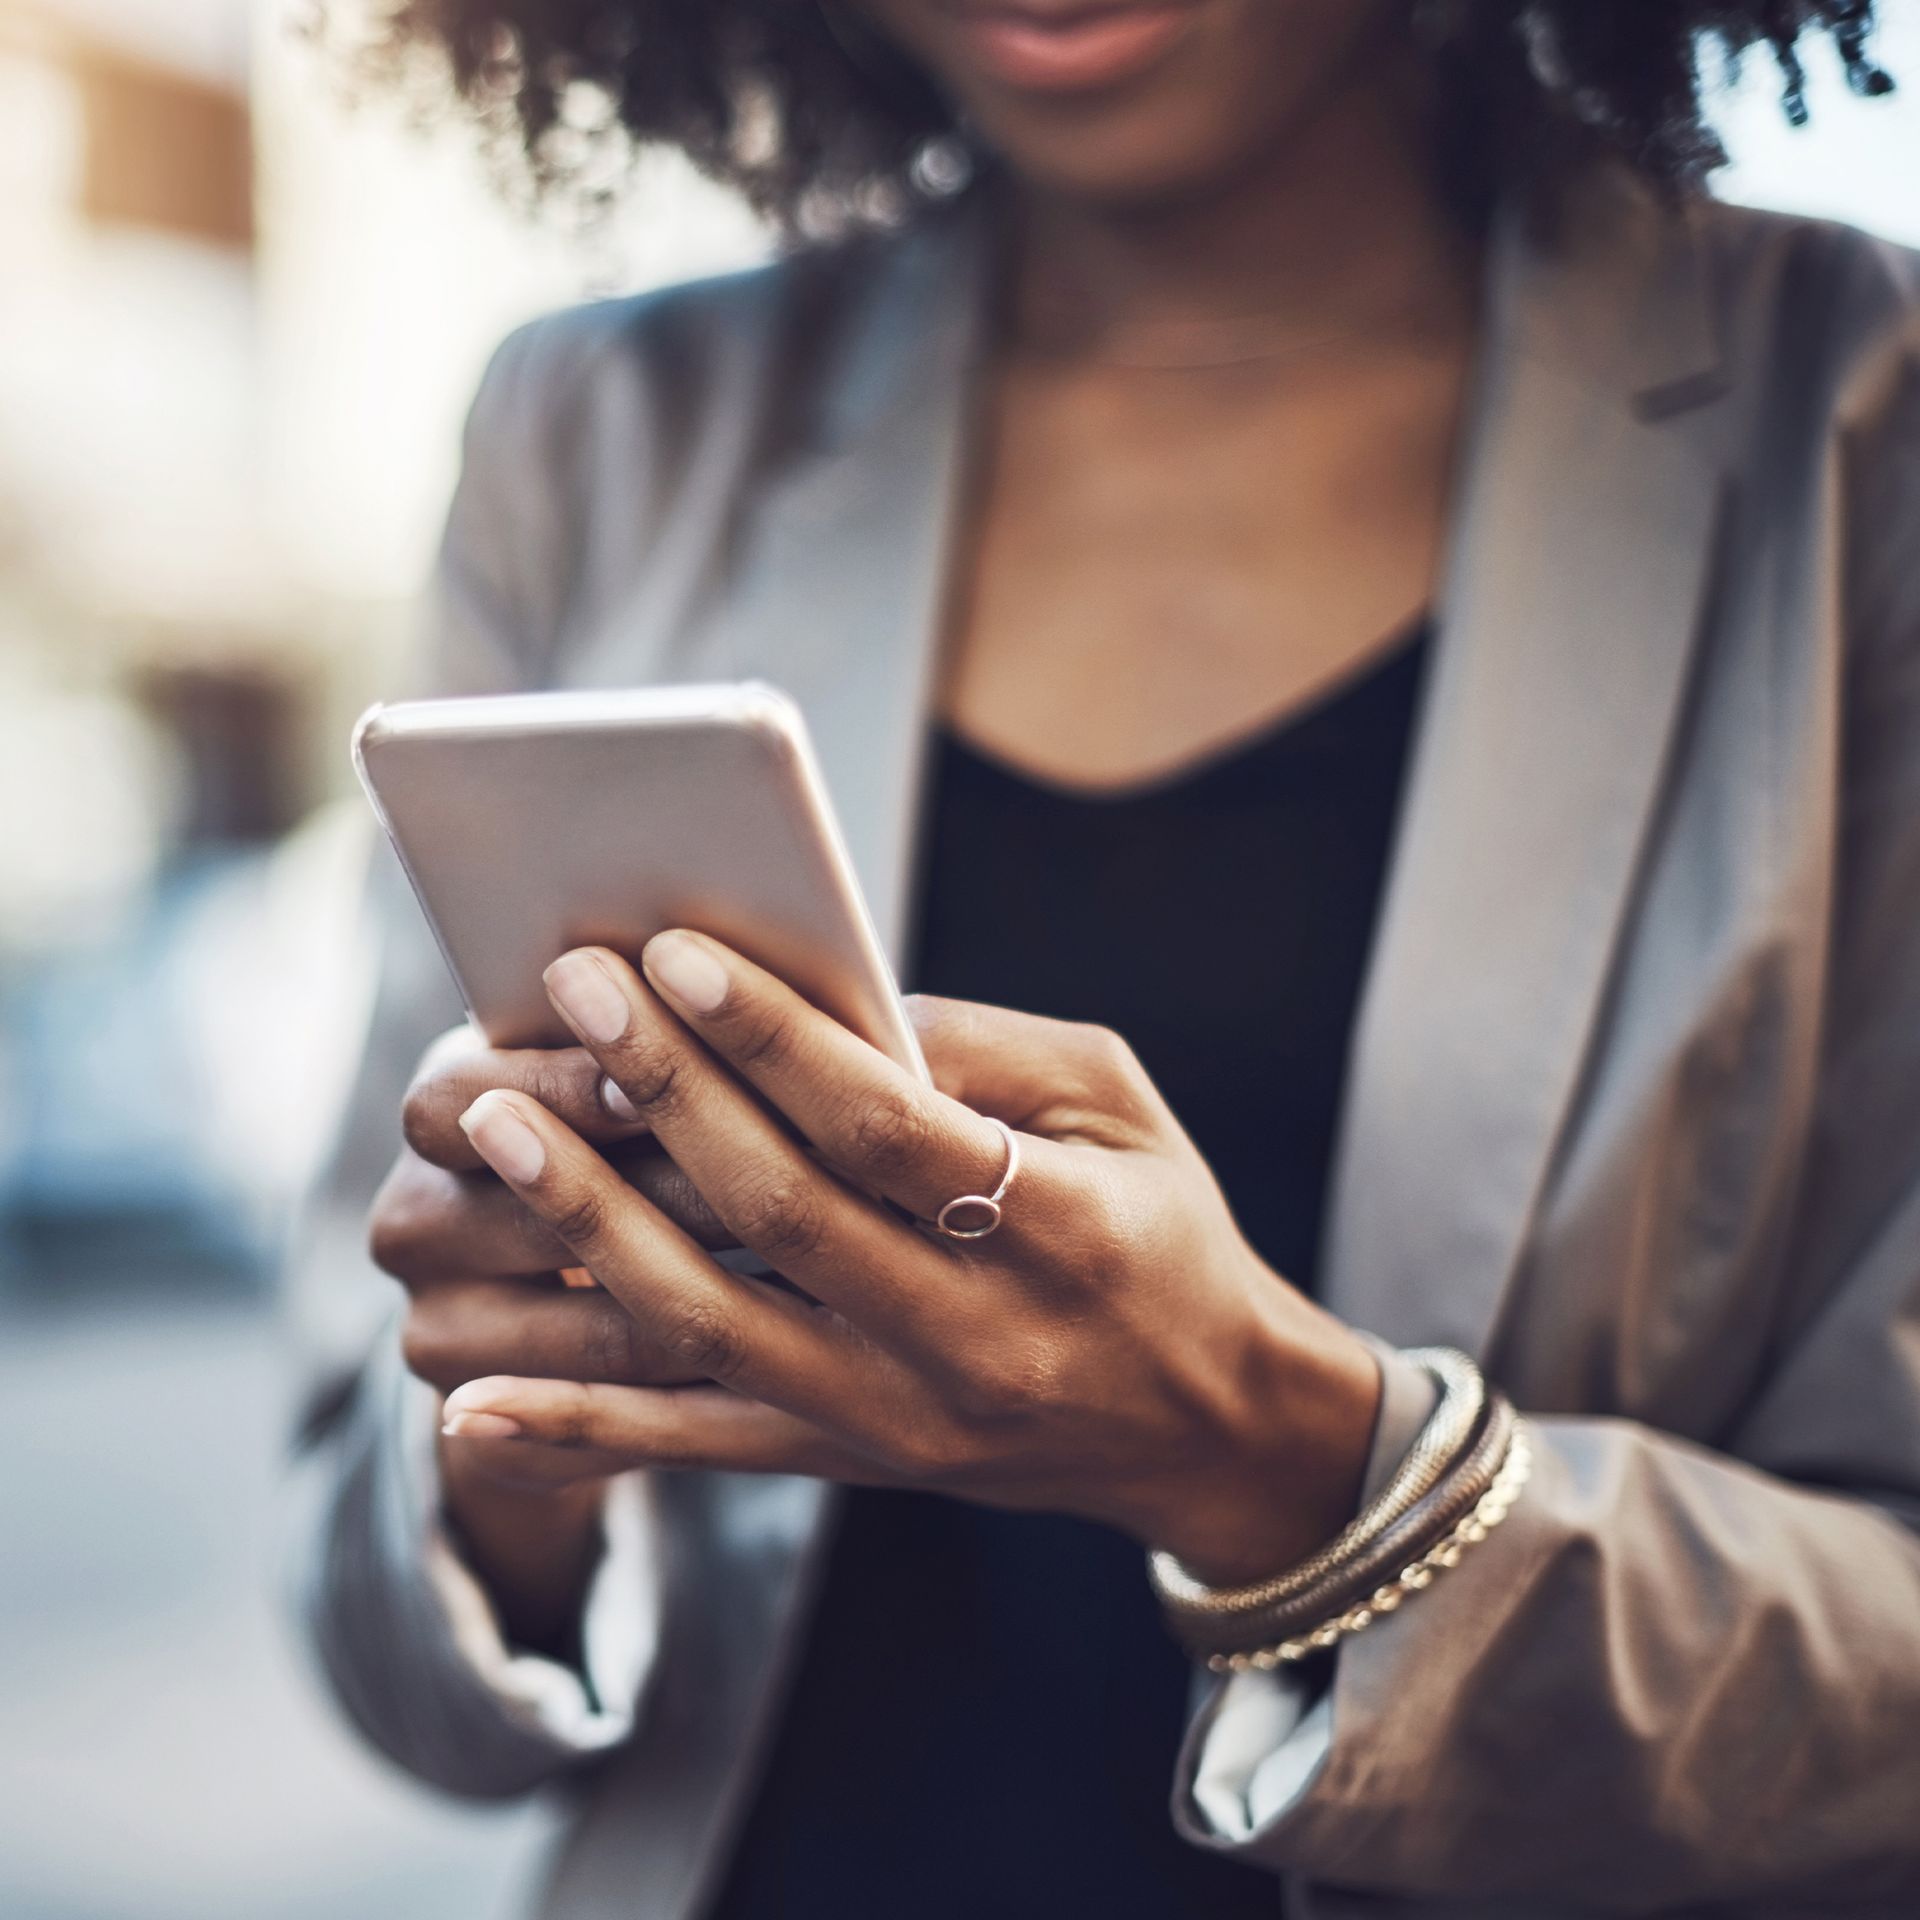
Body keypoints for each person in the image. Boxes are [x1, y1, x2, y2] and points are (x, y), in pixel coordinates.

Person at [289, 3, 1920, 1914]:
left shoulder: (1858, 434)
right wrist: (527, 1446)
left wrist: (1280, 1457)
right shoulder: (604, 436)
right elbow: (385, 1635)